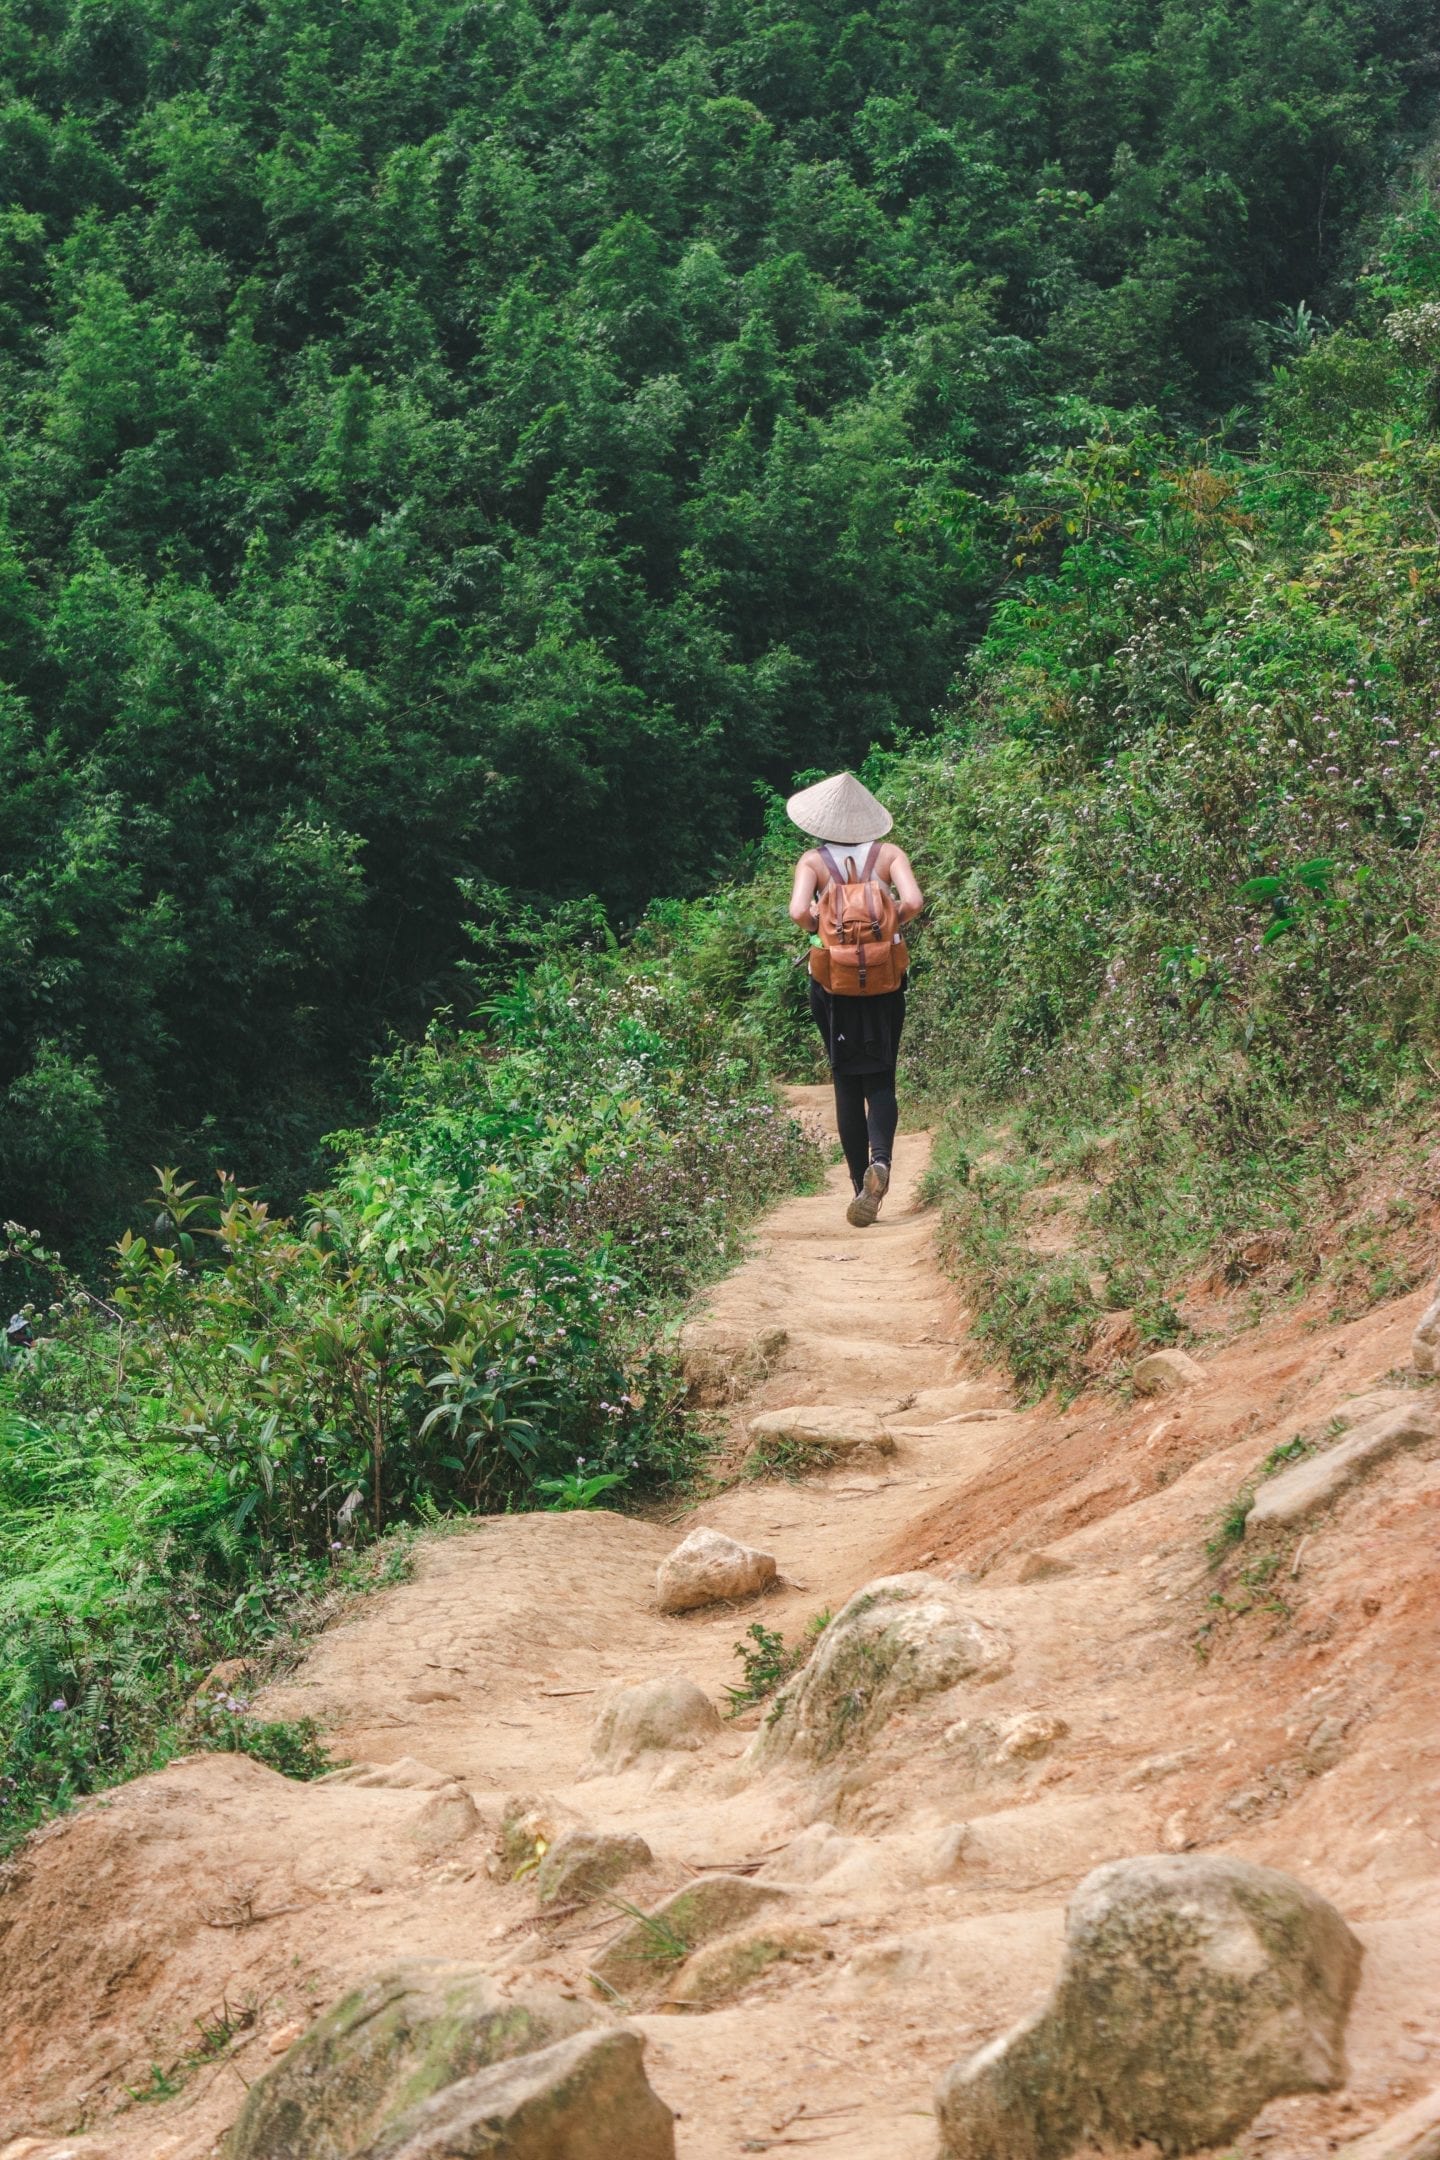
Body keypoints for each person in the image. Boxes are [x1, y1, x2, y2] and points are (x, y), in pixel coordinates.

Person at [786, 771, 923, 1227]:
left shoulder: (813, 862)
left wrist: (828, 929)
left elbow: (797, 914)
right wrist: (886, 926)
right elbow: (915, 901)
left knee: (846, 1080)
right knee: (882, 1075)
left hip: (832, 985)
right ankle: (880, 1164)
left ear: (822, 821)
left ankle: (856, 1184)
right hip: (885, 978)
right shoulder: (889, 854)